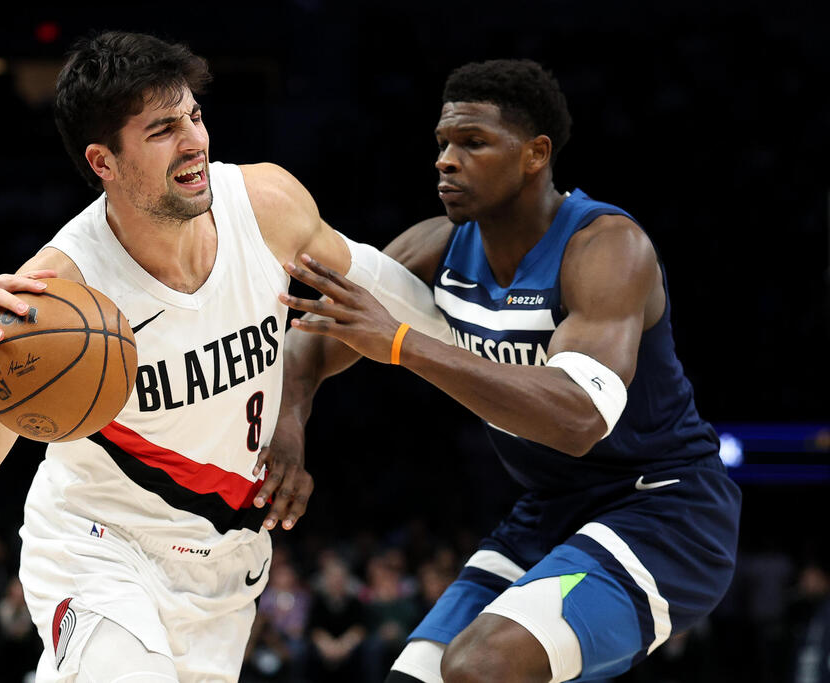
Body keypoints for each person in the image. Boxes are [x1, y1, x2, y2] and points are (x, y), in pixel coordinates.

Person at [0, 30, 443, 682]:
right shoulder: (56, 296)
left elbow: (375, 288)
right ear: (103, 161)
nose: (195, 139)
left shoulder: (265, 205)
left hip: (226, 566)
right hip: (100, 550)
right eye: (163, 129)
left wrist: (497, 351)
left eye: (194, 115)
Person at [267, 59, 742, 682]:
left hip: (664, 513)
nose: (445, 159)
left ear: (535, 154)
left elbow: (578, 417)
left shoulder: (605, 248)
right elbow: (311, 344)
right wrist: (289, 432)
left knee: (483, 666)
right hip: (550, 510)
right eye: (442, 143)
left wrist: (405, 343)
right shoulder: (433, 247)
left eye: (473, 142)